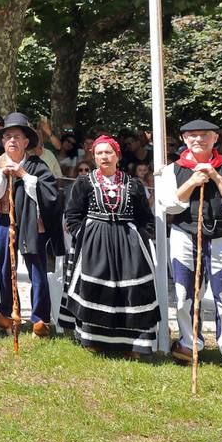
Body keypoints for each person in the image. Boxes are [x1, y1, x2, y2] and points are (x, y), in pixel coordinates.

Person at [155, 118, 222, 374]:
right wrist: (192, 182)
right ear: (184, 139)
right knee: (184, 293)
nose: (198, 140)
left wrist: (214, 175)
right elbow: (168, 204)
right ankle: (189, 343)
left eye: (204, 135)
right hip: (185, 236)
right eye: (192, 136)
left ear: (215, 139)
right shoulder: (173, 170)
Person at [56, 136, 159, 355]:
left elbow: (145, 217)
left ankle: (133, 344)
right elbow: (73, 214)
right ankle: (95, 340)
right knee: (95, 288)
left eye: (108, 152)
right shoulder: (84, 183)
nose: (104, 156)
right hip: (95, 244)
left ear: (117, 156)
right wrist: (84, 234)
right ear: (94, 157)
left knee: (131, 290)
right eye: (99, 153)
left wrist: (139, 235)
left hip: (128, 246)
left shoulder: (133, 184)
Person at [0, 113, 64, 335]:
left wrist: (23, 174)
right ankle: (7, 313)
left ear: (26, 142)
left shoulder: (36, 165)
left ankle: (40, 318)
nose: (12, 140)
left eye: (17, 136)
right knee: (5, 267)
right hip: (3, 222)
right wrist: (1, 174)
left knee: (37, 268)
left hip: (32, 223)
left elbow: (50, 195)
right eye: (7, 136)